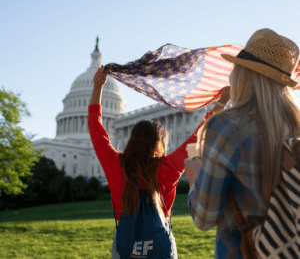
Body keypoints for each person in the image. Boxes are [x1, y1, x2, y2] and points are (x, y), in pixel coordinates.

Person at [88, 65, 230, 258]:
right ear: (160, 144)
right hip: (160, 244)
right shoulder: (168, 168)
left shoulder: (116, 165)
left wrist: (97, 87)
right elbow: (200, 137)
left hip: (125, 246)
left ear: (132, 140)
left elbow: (95, 129)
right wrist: (221, 103)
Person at [185, 28, 300, 258]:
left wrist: (195, 176)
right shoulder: (295, 127)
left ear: (244, 75)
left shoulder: (227, 127)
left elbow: (204, 217)